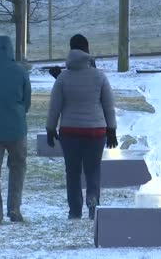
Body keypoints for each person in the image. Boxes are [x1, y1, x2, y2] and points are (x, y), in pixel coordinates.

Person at [46, 34, 118, 220]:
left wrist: (50, 128)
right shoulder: (99, 76)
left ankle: (75, 210)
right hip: (96, 132)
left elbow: (55, 106)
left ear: (71, 51)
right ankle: (93, 200)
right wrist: (112, 130)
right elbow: (108, 105)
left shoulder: (63, 78)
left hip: (70, 132)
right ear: (87, 50)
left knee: (72, 171)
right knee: (93, 169)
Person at [0, 36, 31, 225]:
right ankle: (14, 209)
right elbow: (26, 101)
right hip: (16, 129)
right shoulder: (20, 71)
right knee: (17, 168)